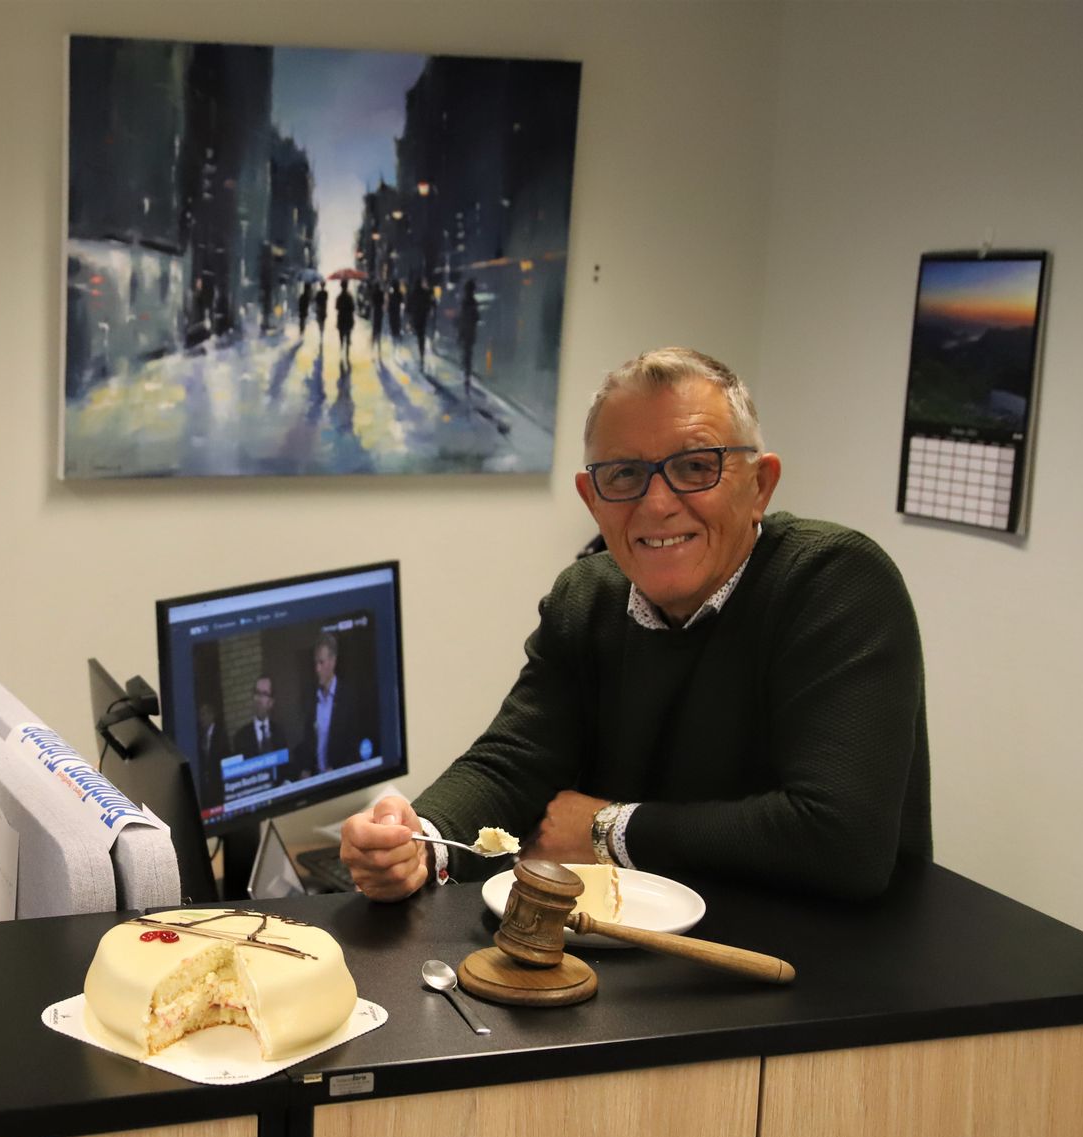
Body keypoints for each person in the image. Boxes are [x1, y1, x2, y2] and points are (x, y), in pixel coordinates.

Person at [340, 347, 930, 902]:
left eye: (696, 467)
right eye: (623, 475)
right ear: (591, 498)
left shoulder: (835, 582)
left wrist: (608, 830)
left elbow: (841, 839)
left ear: (760, 485)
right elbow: (515, 760)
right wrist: (419, 839)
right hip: (637, 966)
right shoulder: (587, 596)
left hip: (824, 974)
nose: (656, 504)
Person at [295, 633, 374, 779]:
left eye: (321, 662)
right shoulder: (311, 697)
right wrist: (305, 769)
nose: (317, 669)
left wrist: (337, 771)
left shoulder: (348, 697)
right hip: (315, 779)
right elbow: (308, 740)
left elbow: (355, 746)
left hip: (341, 780)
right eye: (315, 663)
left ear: (333, 661)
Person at [230, 675, 281, 759]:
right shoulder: (241, 737)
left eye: (264, 694)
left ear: (271, 702)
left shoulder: (279, 733)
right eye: (257, 693)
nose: (259, 699)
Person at [457, 279, 481, 392]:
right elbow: (476, 317)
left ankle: (466, 373)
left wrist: (460, 332)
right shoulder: (474, 302)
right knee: (468, 352)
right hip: (471, 331)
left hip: (466, 331)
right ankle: (467, 373)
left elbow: (462, 318)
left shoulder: (464, 302)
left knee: (466, 352)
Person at [407, 278, 433, 367]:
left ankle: (417, 355)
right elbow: (430, 304)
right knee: (421, 336)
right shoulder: (425, 293)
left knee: (416, 336)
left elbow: (408, 307)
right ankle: (422, 355)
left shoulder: (413, 293)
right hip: (423, 318)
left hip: (415, 318)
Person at [335, 280, 356, 361]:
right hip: (348, 320)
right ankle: (347, 355)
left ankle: (341, 353)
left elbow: (336, 307)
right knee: (347, 337)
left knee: (341, 338)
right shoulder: (349, 297)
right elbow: (353, 308)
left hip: (341, 319)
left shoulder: (339, 297)